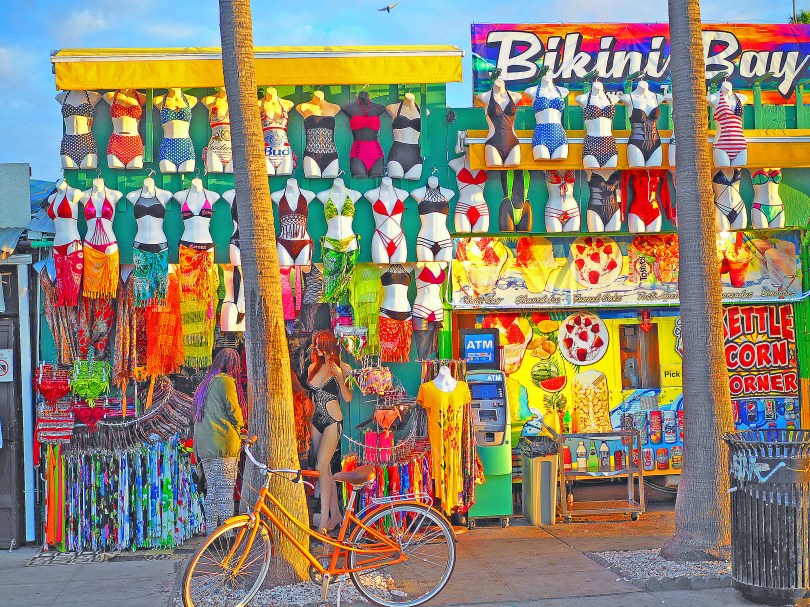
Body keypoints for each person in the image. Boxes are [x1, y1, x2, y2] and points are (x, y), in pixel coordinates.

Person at [193, 348, 247, 534]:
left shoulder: (205, 383)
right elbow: (233, 409)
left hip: (205, 445)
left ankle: (211, 533)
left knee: (213, 491)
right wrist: (241, 427)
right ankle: (226, 534)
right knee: (225, 491)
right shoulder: (225, 381)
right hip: (222, 443)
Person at [306, 330, 352, 533]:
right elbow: (312, 397)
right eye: (315, 344)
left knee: (322, 465)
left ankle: (324, 519)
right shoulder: (312, 367)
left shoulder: (343, 368)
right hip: (315, 421)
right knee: (324, 470)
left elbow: (348, 398)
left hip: (333, 420)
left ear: (330, 345)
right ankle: (336, 513)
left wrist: (340, 377)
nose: (316, 348)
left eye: (320, 344)